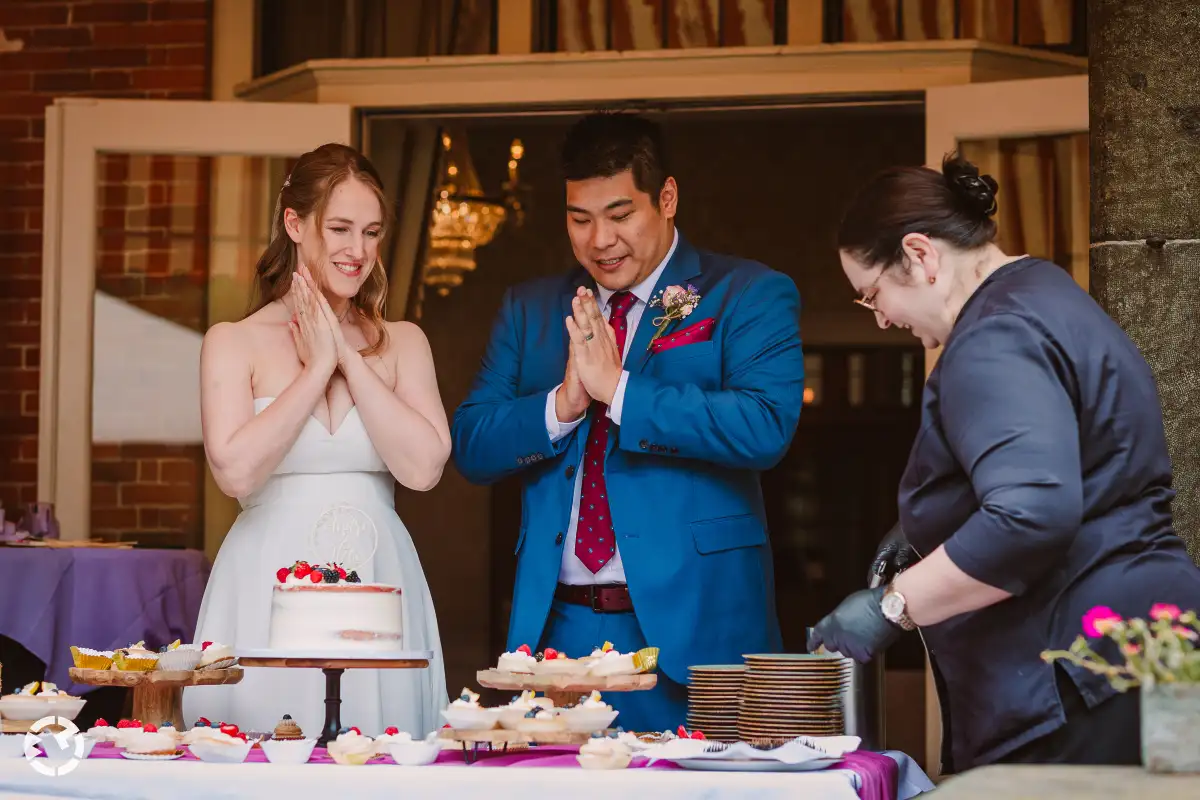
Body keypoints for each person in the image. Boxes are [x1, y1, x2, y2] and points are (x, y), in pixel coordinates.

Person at [808, 154, 1200, 771]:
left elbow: (1031, 514)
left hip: (1078, 676)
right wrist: (921, 534)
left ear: (920, 254)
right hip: (1141, 654)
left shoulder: (992, 337)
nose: (882, 318)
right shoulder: (1045, 293)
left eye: (872, 294)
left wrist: (894, 606)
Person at [452, 111, 804, 732]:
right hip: (556, 631)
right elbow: (473, 446)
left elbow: (764, 424)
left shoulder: (746, 293)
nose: (599, 240)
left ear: (666, 199)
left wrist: (617, 390)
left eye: (620, 215)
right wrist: (562, 406)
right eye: (579, 219)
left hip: (696, 631)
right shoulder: (531, 308)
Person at [185, 143, 450, 737]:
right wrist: (313, 371)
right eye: (340, 229)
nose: (357, 251)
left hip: (381, 581)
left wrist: (348, 361)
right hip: (263, 584)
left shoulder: (404, 342)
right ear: (294, 223)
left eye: (372, 232)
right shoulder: (233, 342)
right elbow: (236, 472)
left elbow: (424, 466)